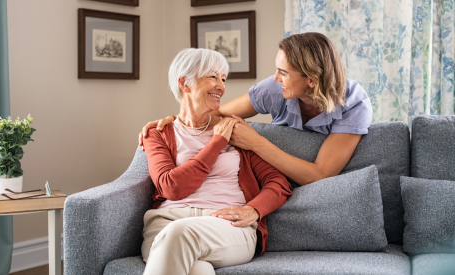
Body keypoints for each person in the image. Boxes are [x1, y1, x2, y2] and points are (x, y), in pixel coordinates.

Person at [140, 32, 372, 186]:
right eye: (276, 69)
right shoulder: (273, 89)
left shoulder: (353, 103)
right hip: (272, 180)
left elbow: (320, 175)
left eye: (284, 72)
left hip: (314, 187)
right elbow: (215, 114)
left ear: (311, 80)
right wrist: (175, 121)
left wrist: (255, 142)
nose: (275, 77)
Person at [141, 48, 292, 275]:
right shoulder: (159, 133)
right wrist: (216, 143)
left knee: (179, 234)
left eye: (223, 78)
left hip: (226, 225)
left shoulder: (236, 130)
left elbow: (278, 182)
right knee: (198, 270)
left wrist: (253, 209)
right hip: (167, 222)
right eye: (212, 76)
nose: (221, 86)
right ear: (185, 83)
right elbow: (171, 187)